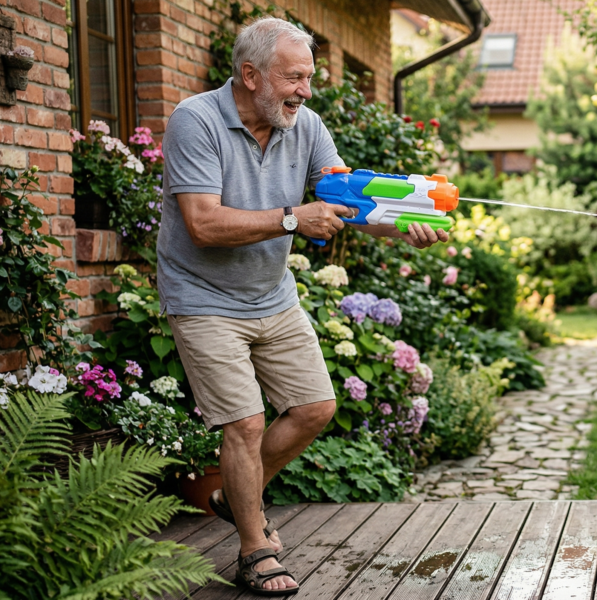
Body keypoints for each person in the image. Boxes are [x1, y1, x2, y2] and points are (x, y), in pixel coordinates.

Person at [157, 17, 448, 596]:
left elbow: (346, 201)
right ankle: (253, 548)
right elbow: (204, 222)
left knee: (315, 407)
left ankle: (230, 496)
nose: (306, 91)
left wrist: (407, 221)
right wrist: (293, 218)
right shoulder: (196, 122)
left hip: (271, 294)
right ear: (249, 74)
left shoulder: (305, 125)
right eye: (295, 78)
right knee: (244, 423)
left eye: (308, 78)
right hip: (203, 296)